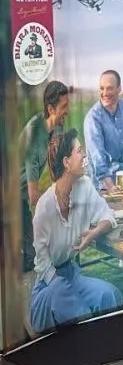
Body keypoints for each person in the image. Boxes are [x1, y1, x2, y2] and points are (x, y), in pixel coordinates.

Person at [29, 129, 121, 334]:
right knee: (70, 303)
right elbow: (42, 264)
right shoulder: (44, 207)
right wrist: (69, 294)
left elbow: (108, 216)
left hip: (72, 275)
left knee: (109, 295)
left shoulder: (84, 186)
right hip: (48, 286)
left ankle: (113, 348)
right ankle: (91, 349)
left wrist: (93, 234)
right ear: (66, 162)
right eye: (79, 151)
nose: (85, 155)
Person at [20, 80, 70, 270]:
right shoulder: (35, 134)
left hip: (24, 190)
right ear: (50, 108)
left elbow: (57, 170)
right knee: (31, 258)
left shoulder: (58, 127)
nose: (67, 111)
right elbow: (34, 197)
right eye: (63, 106)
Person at [83, 69, 123, 190]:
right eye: (102, 88)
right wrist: (111, 188)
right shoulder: (93, 118)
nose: (105, 93)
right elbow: (98, 157)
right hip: (103, 181)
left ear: (119, 89)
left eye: (109, 88)